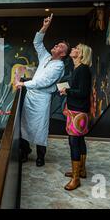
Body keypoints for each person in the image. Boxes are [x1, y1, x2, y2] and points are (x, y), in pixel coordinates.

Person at [15, 15, 69, 166]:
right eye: (57, 44)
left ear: (63, 54)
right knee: (25, 126)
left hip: (42, 98)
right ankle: (25, 152)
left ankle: (40, 156)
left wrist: (23, 84)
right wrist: (45, 26)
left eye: (60, 47)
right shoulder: (45, 57)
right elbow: (37, 42)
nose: (56, 46)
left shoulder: (59, 66)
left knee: (40, 128)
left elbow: (43, 82)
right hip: (31, 97)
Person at [60, 43, 93, 190]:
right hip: (76, 110)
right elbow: (78, 90)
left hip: (78, 111)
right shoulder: (78, 69)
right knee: (79, 140)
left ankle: (76, 178)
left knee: (74, 142)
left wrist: (67, 91)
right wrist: (68, 91)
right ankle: (81, 170)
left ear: (81, 54)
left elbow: (83, 93)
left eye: (76, 49)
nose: (73, 49)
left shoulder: (83, 70)